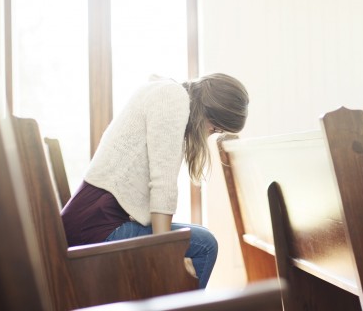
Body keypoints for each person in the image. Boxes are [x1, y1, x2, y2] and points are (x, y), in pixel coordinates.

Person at [61, 73, 249, 289]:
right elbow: (163, 185)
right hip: (96, 228)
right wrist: (168, 255)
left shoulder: (165, 92)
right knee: (205, 244)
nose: (209, 134)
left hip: (91, 221)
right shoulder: (173, 99)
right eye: (215, 128)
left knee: (199, 236)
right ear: (210, 112)